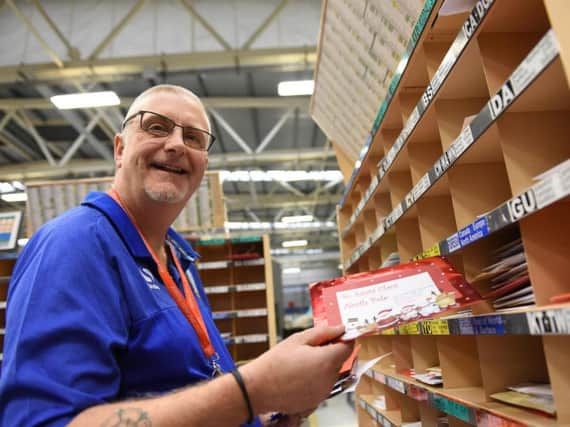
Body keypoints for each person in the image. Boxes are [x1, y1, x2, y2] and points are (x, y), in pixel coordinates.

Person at [0, 84, 353, 426]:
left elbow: (181, 385)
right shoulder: (73, 247)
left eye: (194, 138)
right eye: (157, 127)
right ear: (120, 149)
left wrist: (254, 416)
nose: (176, 145)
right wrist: (252, 391)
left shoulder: (176, 258)